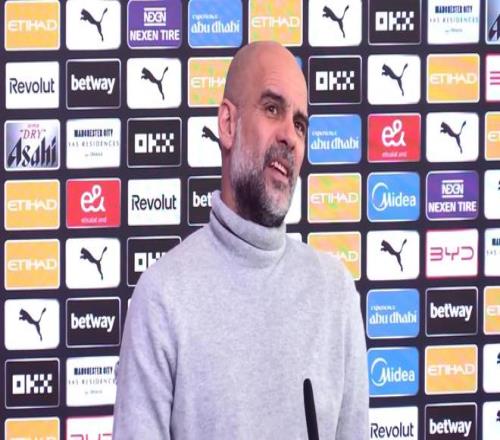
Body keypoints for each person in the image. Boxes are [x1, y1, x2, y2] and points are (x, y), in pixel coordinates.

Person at [113, 41, 368, 439]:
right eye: (272, 109)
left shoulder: (336, 294)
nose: (290, 136)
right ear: (228, 125)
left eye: (300, 124)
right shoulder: (162, 297)